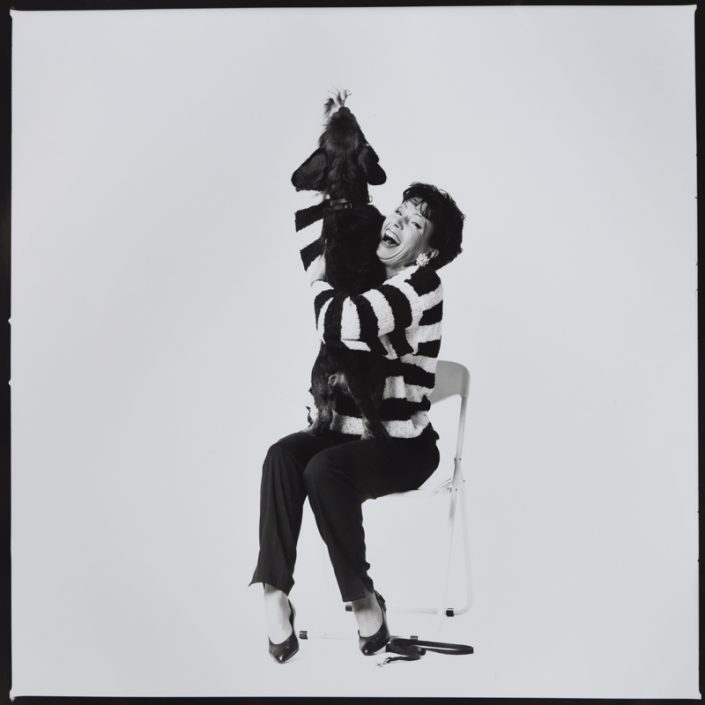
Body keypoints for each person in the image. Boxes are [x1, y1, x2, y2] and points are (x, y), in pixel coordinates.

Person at [250, 182, 465, 663]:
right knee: (282, 456)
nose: (396, 221)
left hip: (404, 445)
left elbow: (343, 323)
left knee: (324, 470)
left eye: (414, 222)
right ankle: (273, 594)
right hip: (344, 430)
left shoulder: (422, 286)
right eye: (398, 211)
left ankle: (364, 600)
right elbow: (312, 231)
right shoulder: (363, 267)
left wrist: (318, 284)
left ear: (428, 252)